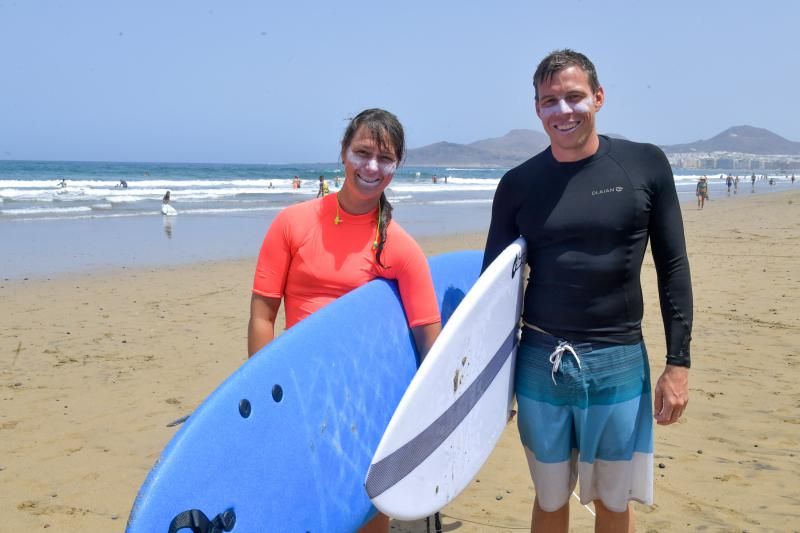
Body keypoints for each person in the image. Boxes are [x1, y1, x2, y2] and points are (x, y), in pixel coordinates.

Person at [482, 49, 692, 533]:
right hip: (539, 360)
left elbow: (673, 267)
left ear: (598, 97)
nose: (563, 111)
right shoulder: (517, 185)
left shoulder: (644, 166)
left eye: (574, 97)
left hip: (619, 359)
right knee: (549, 495)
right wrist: (490, 382)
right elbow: (493, 289)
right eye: (550, 100)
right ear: (537, 108)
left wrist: (677, 364)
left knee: (614, 501)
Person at [248, 108, 442, 533]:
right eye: (362, 153)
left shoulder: (401, 249)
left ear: (396, 167)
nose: (372, 167)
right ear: (343, 154)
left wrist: (431, 419)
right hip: (300, 393)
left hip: (367, 401)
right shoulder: (292, 224)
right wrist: (265, 391)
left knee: (366, 509)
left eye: (385, 159)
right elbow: (263, 315)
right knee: (306, 505)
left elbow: (432, 342)